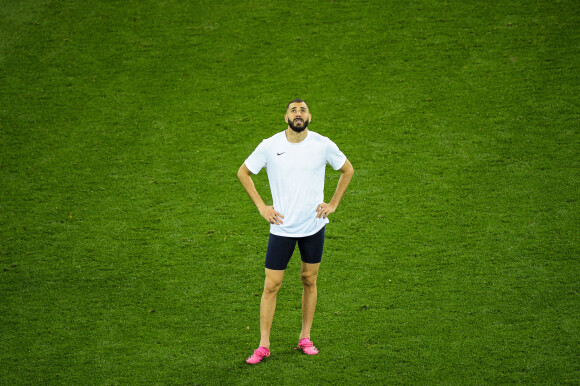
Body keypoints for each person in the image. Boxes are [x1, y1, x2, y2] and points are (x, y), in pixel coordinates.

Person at [238, 98, 354, 364]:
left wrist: (333, 204)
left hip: (313, 226)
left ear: (309, 117)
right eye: (293, 110)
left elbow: (347, 170)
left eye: (302, 110)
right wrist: (262, 207)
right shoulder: (270, 146)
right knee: (271, 285)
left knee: (309, 279)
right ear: (286, 118)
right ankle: (264, 344)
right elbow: (243, 173)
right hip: (281, 228)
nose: (298, 114)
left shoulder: (323, 144)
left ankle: (305, 337)